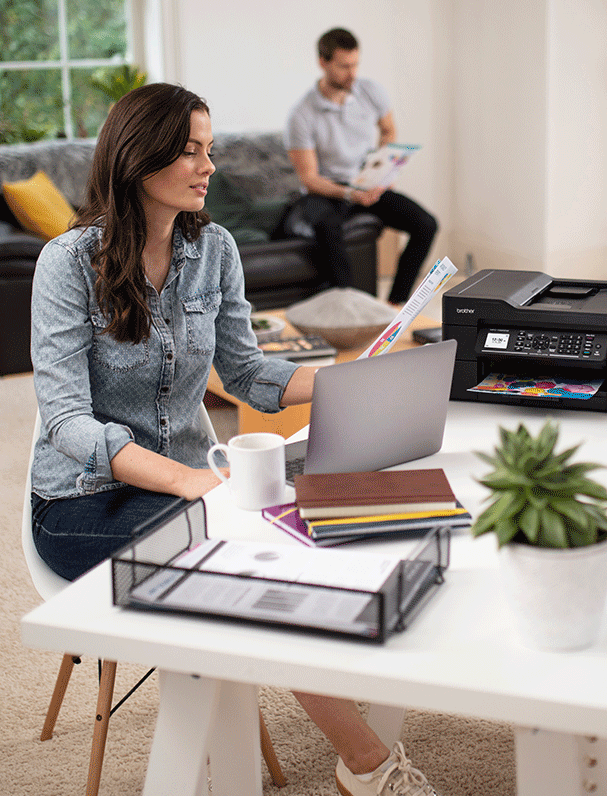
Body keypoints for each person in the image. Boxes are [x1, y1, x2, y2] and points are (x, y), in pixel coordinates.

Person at [29, 83, 439, 796]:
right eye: (189, 151)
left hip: (193, 492)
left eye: (208, 150)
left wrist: (351, 379)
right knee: (237, 556)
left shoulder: (213, 248)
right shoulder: (67, 264)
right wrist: (188, 479)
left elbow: (246, 372)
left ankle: (343, 699)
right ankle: (367, 765)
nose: (207, 166)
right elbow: (66, 422)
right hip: (82, 505)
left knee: (316, 518)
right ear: (138, 158)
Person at [283, 27, 438, 305]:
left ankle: (394, 305)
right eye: (344, 67)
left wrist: (383, 168)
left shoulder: (370, 91)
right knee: (329, 228)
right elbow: (309, 178)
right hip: (327, 191)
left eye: (355, 64)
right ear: (323, 62)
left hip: (364, 182)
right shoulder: (301, 114)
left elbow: (388, 129)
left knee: (426, 224)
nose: (352, 74)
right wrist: (349, 194)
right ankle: (351, 308)